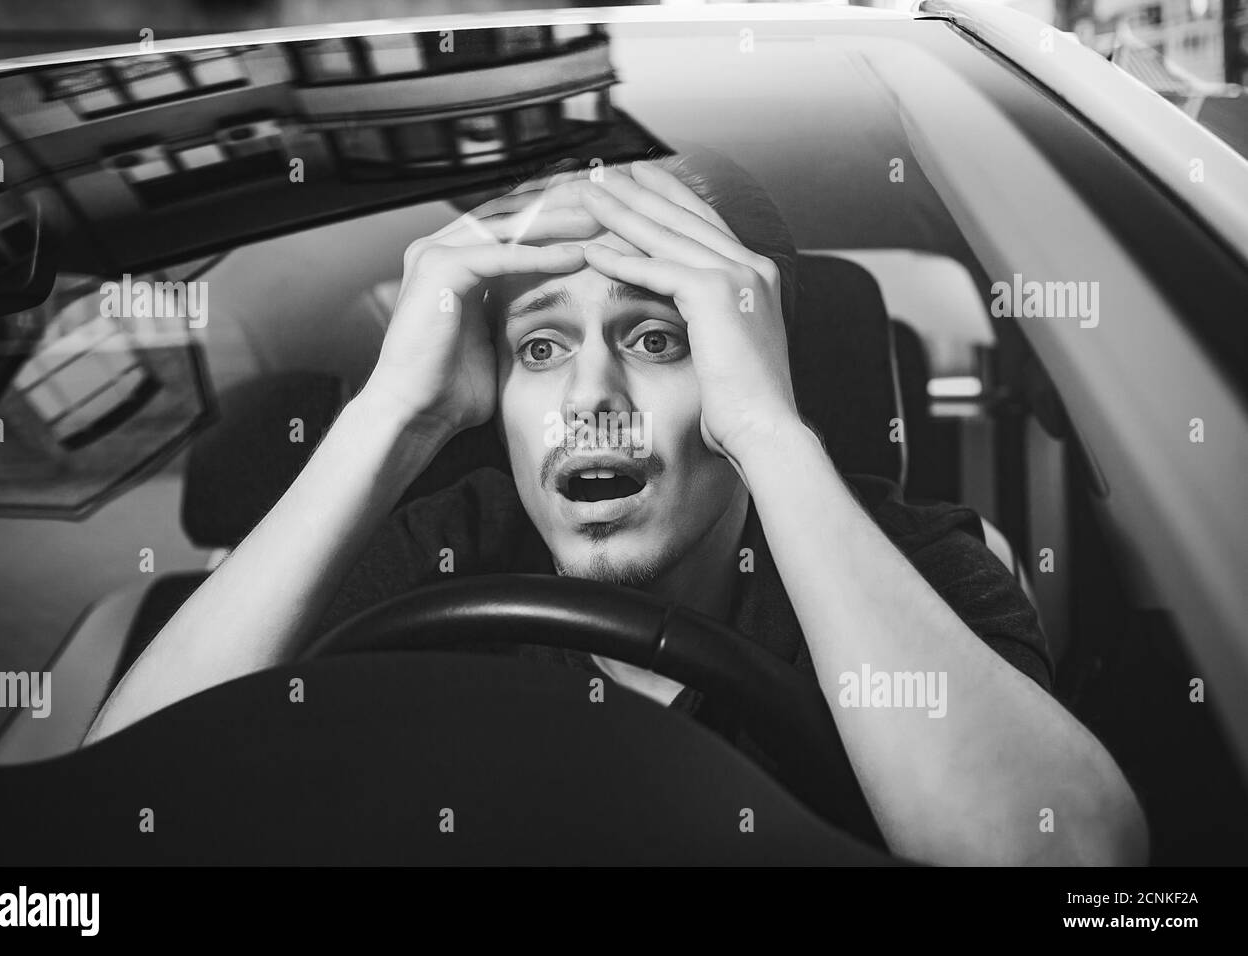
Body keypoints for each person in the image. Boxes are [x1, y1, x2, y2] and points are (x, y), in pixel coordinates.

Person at [83, 151, 1149, 866]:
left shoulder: (909, 560)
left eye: (658, 336)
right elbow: (102, 821)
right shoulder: (447, 548)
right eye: (539, 347)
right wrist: (390, 416)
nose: (590, 398)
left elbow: (1068, 859)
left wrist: (770, 432)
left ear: (748, 364)